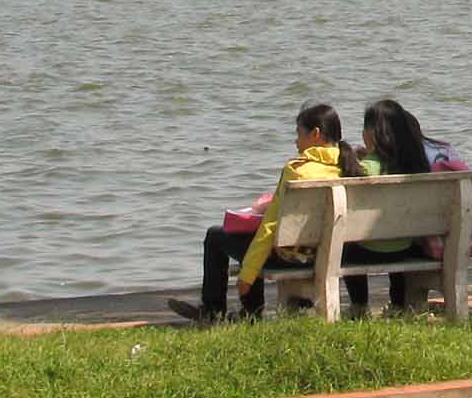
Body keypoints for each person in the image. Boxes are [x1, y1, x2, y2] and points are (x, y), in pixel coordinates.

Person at [168, 103, 382, 323]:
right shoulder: (352, 167)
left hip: (294, 257)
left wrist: (247, 276)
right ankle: (250, 313)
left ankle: (220, 311)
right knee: (254, 242)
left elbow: (269, 228)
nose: (296, 141)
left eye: (299, 134)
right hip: (336, 254)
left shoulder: (297, 170)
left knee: (216, 236)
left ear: (316, 134)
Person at [346, 99, 435, 314]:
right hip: (406, 248)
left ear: (373, 133)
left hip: (369, 250)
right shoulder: (417, 166)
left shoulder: (367, 168)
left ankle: (359, 305)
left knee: (346, 249)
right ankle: (398, 304)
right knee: (397, 234)